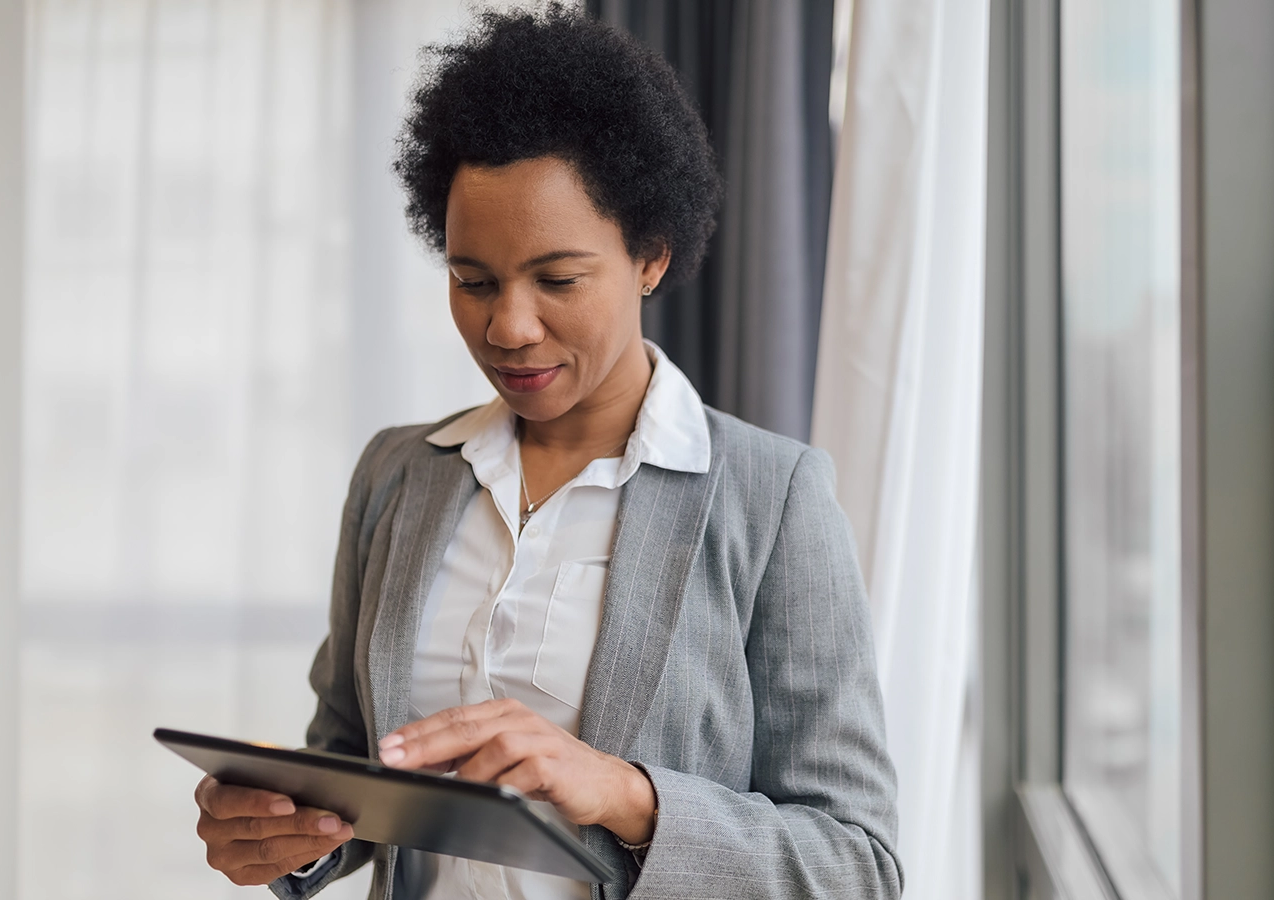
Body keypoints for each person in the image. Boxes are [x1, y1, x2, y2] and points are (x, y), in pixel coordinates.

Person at [189, 6, 900, 898]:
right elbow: (352, 763)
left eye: (558, 279)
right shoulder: (398, 477)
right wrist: (288, 836)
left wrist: (624, 795)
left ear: (650, 257)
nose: (508, 327)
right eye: (471, 281)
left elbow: (859, 866)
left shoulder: (772, 500)